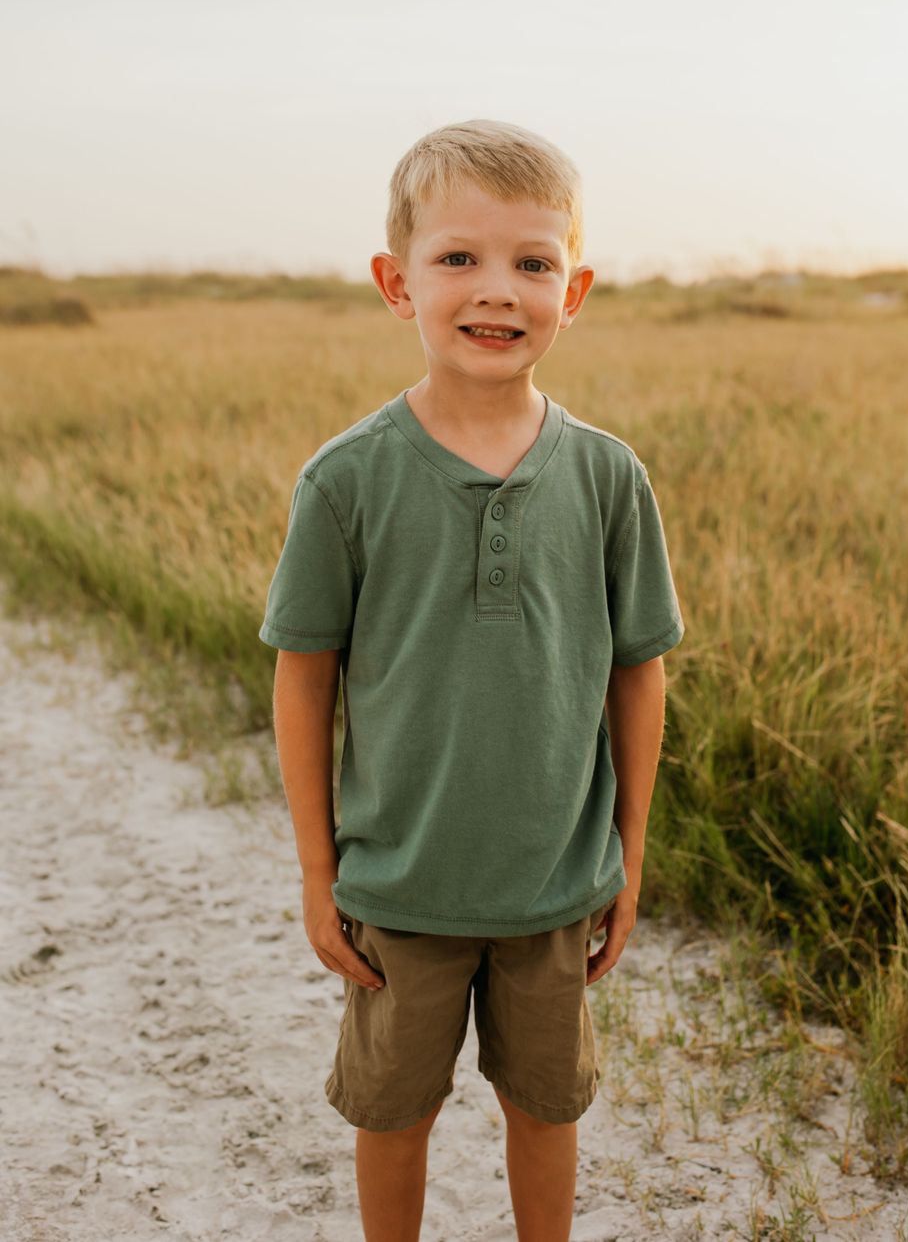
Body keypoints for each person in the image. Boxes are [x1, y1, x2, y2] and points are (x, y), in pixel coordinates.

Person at [258, 118, 685, 1242]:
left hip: (554, 887)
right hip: (399, 890)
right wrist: (319, 874)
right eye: (459, 257)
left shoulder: (607, 478)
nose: (497, 289)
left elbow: (638, 674)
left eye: (532, 262)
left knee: (545, 1110)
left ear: (572, 292)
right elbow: (304, 681)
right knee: (393, 1114)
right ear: (397, 282)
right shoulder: (347, 480)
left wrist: (629, 858)